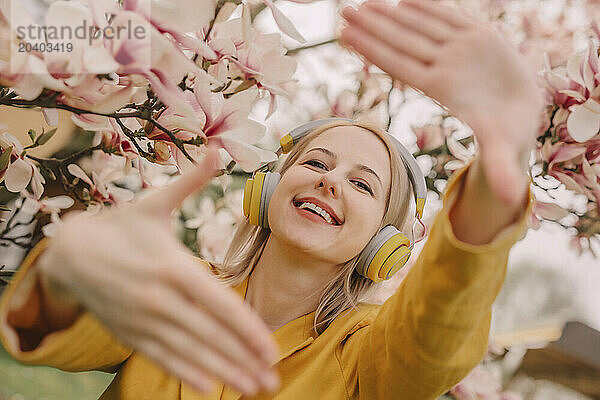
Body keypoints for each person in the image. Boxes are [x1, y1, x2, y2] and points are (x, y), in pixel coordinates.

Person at [0, 0, 544, 399]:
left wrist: (503, 161)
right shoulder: (176, 286)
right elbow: (50, 332)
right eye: (316, 163)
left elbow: (437, 334)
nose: (330, 182)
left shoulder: (365, 359)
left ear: (386, 243)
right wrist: (67, 278)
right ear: (265, 189)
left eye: (362, 184)